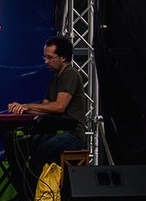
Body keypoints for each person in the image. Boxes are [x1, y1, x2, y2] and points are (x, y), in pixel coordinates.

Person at [8, 35, 87, 165]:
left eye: (50, 58)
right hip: (54, 132)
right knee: (17, 146)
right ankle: (23, 179)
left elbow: (59, 106)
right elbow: (45, 109)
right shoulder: (54, 79)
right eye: (45, 57)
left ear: (63, 57)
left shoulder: (70, 74)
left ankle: (39, 178)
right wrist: (22, 108)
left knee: (42, 152)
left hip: (72, 134)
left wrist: (28, 106)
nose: (46, 61)